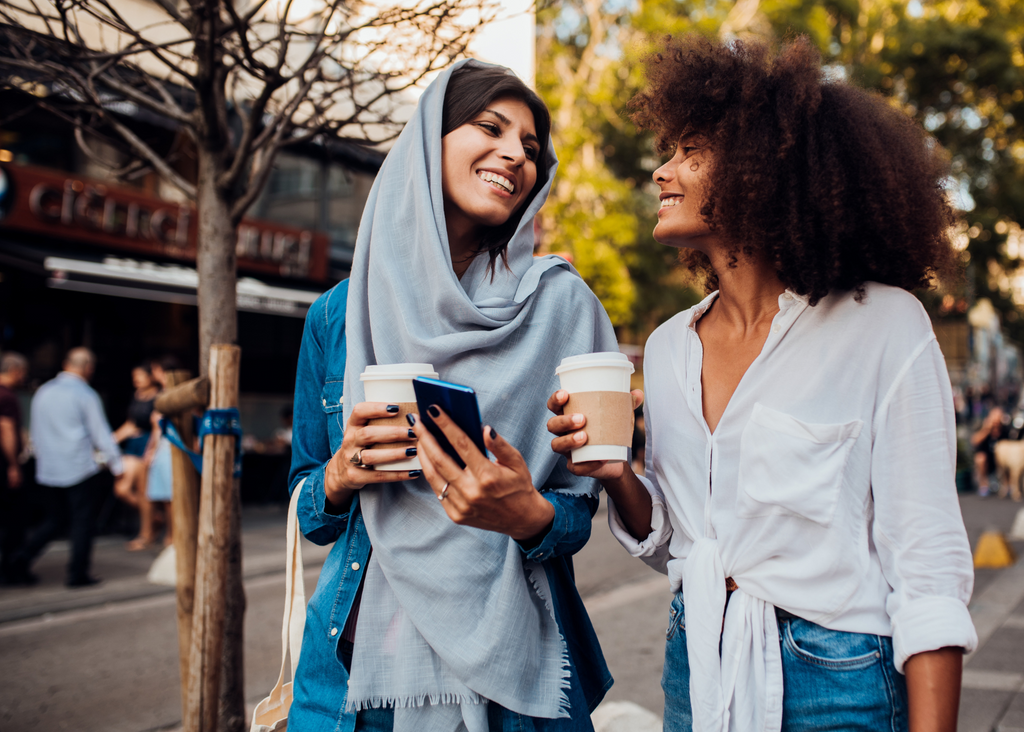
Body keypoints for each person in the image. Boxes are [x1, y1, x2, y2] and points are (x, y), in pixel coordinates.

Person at [548, 36, 976, 732]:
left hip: (840, 677)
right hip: (700, 663)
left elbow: (927, 569)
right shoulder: (665, 350)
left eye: (690, 150)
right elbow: (672, 545)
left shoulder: (883, 326)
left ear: (762, 168)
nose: (662, 170)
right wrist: (616, 474)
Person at [289, 59, 616, 731]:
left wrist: (528, 514)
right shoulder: (339, 315)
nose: (514, 156)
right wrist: (340, 474)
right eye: (490, 128)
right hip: (357, 680)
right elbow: (309, 513)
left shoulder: (562, 310)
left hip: (513, 680)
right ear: (426, 143)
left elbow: (581, 510)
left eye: (530, 147)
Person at [19, 347, 123, 587]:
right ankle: (77, 573)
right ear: (89, 368)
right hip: (79, 466)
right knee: (81, 522)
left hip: (49, 466)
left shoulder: (43, 391)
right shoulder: (85, 394)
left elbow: (35, 430)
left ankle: (22, 556)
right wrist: (116, 465)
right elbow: (101, 434)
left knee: (54, 519)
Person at [111, 364, 159, 549]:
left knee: (143, 491)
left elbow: (157, 426)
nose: (136, 380)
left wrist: (152, 450)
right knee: (122, 489)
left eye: (140, 376)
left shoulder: (158, 397)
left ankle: (146, 535)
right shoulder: (137, 396)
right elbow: (131, 424)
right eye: (134, 376)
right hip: (132, 445)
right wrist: (111, 440)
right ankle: (155, 517)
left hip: (147, 445)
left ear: (151, 377)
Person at [0, 352, 30, 584]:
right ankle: (11, 568)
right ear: (16, 371)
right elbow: (7, 430)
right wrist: (13, 465)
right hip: (4, 464)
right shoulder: (7, 397)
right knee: (12, 519)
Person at [971, 406, 1004, 497]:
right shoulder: (982, 426)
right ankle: (983, 485)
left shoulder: (1004, 429)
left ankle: (1007, 485)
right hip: (987, 460)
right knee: (980, 458)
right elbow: (974, 441)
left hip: (999, 460)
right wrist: (987, 429)